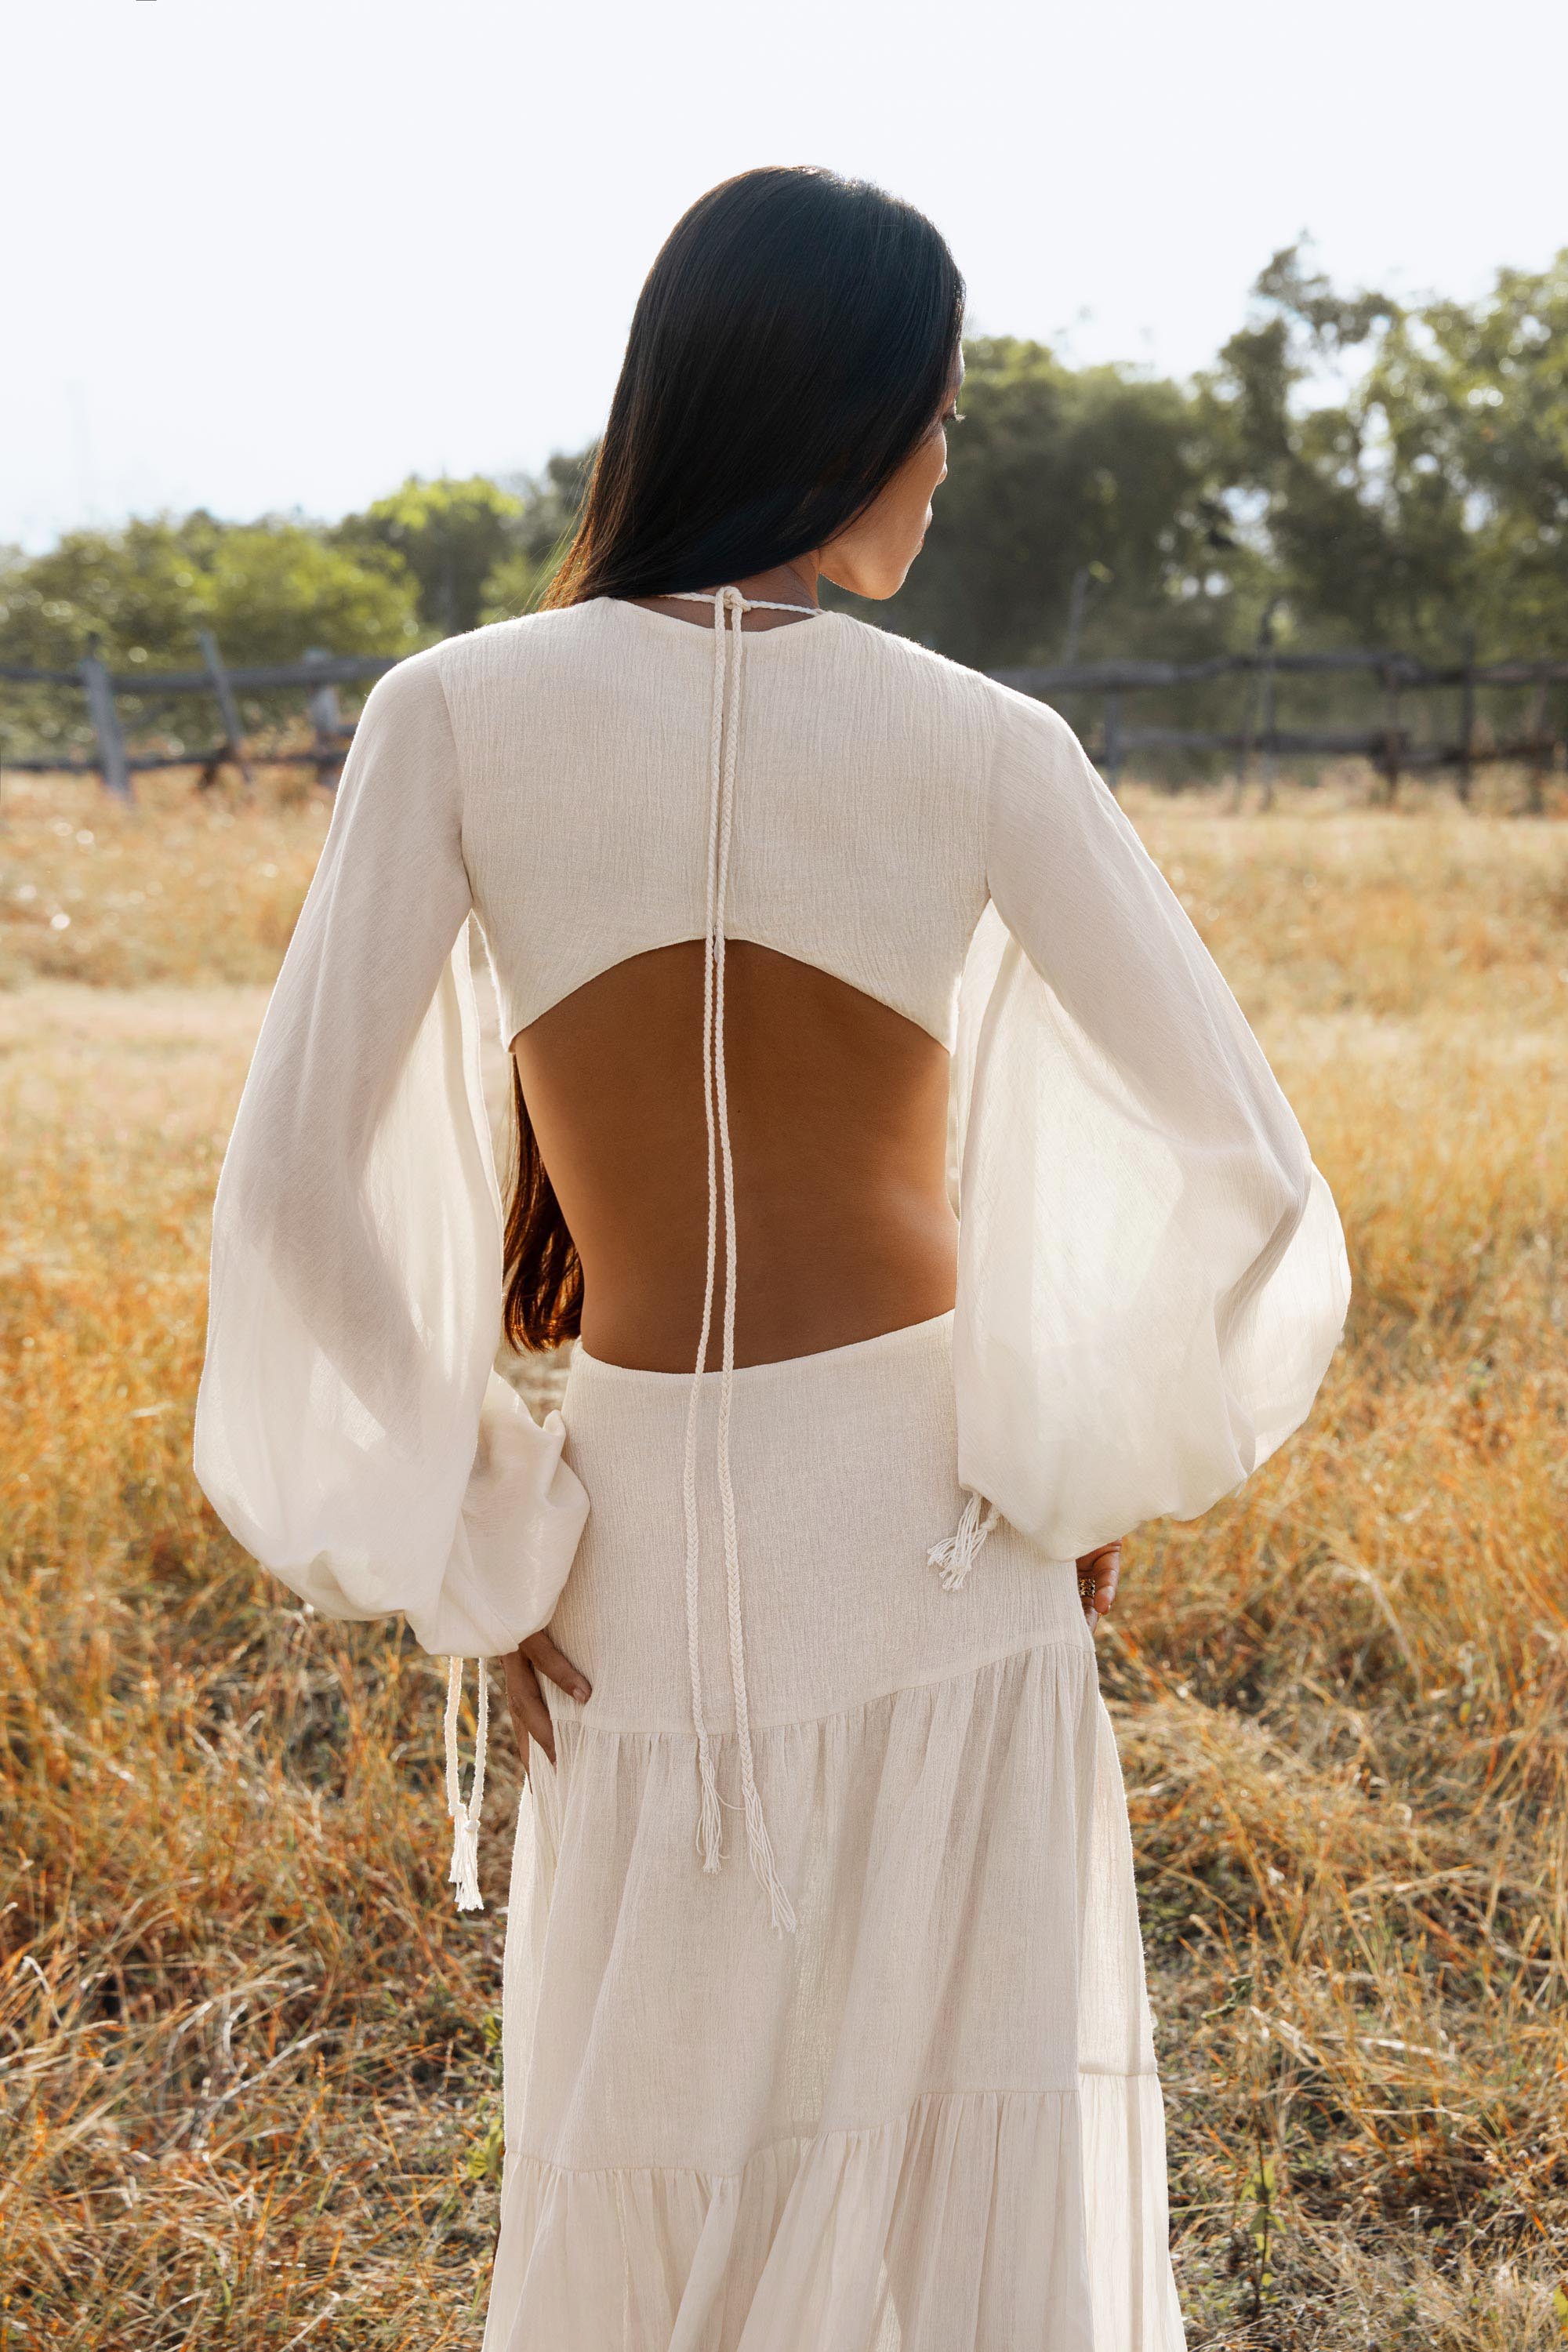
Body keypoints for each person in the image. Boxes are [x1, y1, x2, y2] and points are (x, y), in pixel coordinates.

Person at [194, 165, 1350, 2351]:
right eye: (943, 409)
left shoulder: (455, 711)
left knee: (658, 2163)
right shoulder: (986, 744)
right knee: (956, 2172)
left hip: (630, 1553)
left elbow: (290, 1202)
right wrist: (1068, 1446)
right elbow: (1251, 1176)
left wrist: (492, 1529)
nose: (947, 456)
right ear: (848, 414)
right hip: (944, 1535)